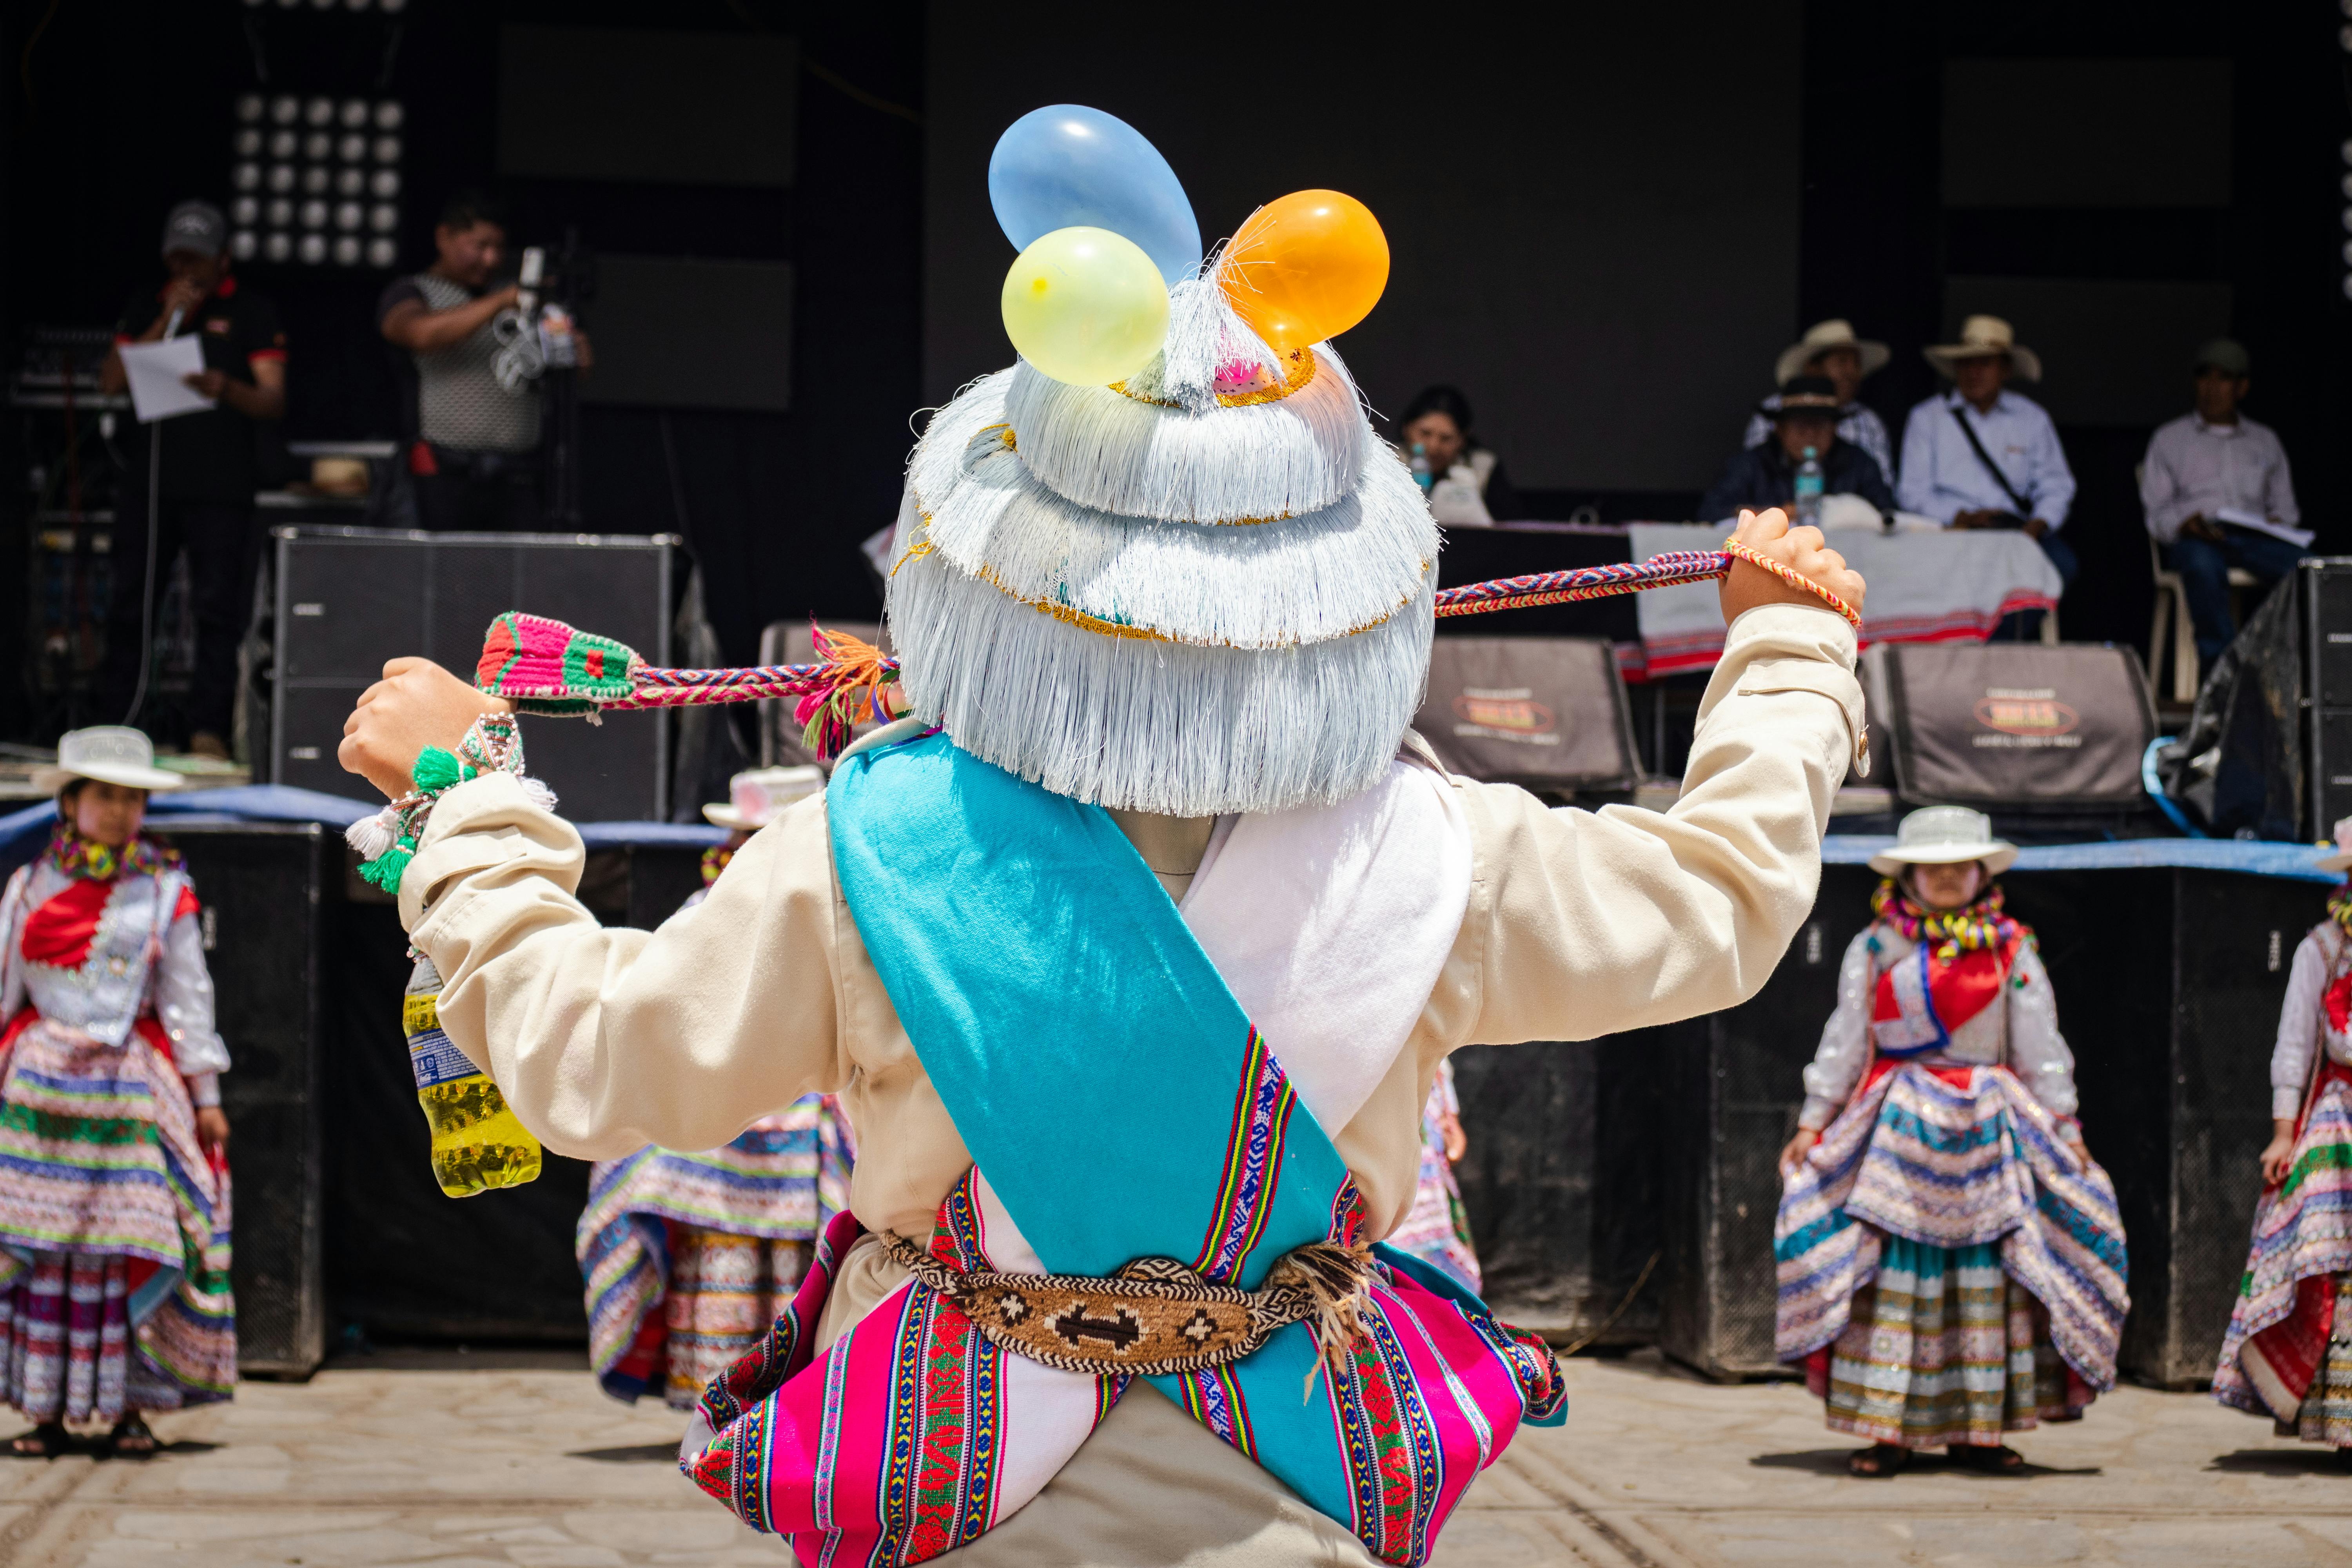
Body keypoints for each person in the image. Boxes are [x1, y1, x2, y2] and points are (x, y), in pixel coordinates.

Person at [339, 202, 1868, 1563]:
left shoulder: (871, 851)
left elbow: (593, 1063)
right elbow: (1723, 904)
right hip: (1290, 1511)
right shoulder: (1437, 852)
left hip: (957, 1492)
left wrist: (467, 803)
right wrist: (1790, 644)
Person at [1775, 807, 2126, 1478]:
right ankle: (1888, 1431)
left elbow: (2039, 1045)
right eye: (1930, 867)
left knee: (1987, 1276)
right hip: (1899, 1130)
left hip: (1989, 1132)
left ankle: (1981, 1433)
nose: (1943, 877)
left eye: (1957, 866)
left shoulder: (2010, 948)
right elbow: (1846, 1040)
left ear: (1979, 873)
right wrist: (1813, 1122)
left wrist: (2065, 1126)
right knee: (1895, 1273)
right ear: (1907, 874)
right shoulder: (1877, 948)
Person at [576, 765, 856, 1408]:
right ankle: (774, 1401)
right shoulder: (825, 916)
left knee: (751, 1265)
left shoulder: (718, 913)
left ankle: (734, 1401)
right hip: (767, 1137)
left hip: (726, 1128)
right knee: (778, 1269)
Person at [0, 727, 235, 1459]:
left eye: (132, 797)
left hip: (128, 1086)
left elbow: (189, 997)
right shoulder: (30, 886)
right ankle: (45, 1411)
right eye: (104, 795)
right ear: (69, 803)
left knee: (130, 1243)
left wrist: (205, 1095)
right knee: (47, 1249)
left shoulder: (165, 889)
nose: (119, 810)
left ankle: (133, 1406)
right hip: (40, 1089)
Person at [97, 201, 287, 759]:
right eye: (178, 260)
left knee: (216, 609)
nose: (188, 271)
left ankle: (209, 729)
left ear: (223, 259)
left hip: (221, 487)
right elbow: (110, 381)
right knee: (132, 603)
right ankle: (119, 722)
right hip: (150, 483)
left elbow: (273, 399)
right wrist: (165, 322)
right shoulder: (146, 307)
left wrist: (223, 388)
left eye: (198, 261)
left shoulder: (250, 311)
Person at [2214, 818, 2352, 1446]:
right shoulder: (2323, 949)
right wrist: (2283, 1131)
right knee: (2332, 1260)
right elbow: (2295, 1044)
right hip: (2341, 1123)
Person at [376, 191, 582, 532]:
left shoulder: (521, 300)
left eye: (499, 248)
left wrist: (569, 347)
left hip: (519, 473)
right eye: (480, 246)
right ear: (445, 237)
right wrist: (500, 302)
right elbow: (418, 334)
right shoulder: (413, 291)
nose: (491, 259)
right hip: (443, 470)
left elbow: (573, 376)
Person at [2141, 338, 2305, 666]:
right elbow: (2157, 512)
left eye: (2224, 379)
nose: (2212, 388)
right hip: (2199, 539)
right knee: (2201, 567)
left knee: (2309, 571)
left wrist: (2276, 524)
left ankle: (2287, 665)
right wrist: (2183, 524)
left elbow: (2287, 511)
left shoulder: (2265, 441)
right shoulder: (2170, 439)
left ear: (2242, 388)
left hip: (2254, 539)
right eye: (2206, 377)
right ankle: (2223, 671)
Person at [1896, 315, 2079, 591]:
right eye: (1966, 363)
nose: (1974, 372)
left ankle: (1993, 632)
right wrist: (1961, 517)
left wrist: (2038, 525)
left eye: (1985, 363)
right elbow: (1912, 491)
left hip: (2014, 532)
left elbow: (2057, 484)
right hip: (1950, 532)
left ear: (2005, 370)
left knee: (2061, 565)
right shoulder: (1927, 417)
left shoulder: (2032, 418)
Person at [1701, 376, 1897, 523]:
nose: (1811, 435)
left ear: (1834, 429)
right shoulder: (1751, 465)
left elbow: (1888, 514)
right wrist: (1776, 515)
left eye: (1820, 425)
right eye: (1801, 426)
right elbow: (1711, 511)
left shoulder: (1859, 464)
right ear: (1780, 429)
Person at [1742, 319, 1894, 485]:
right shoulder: (1776, 408)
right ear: (1812, 367)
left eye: (1856, 364)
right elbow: (1752, 477)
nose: (1852, 372)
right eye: (1842, 362)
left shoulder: (1869, 420)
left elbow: (1883, 490)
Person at [1383, 1059, 1481, 1292]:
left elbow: (1455, 1140)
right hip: (1393, 1193)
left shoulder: (1438, 1067)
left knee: (1452, 1282)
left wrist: (1443, 1141)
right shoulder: (1380, 1061)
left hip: (1434, 1196)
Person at [1397, 385, 1524, 524]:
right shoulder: (1386, 462)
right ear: (1406, 429)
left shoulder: (1482, 468)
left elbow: (1513, 528)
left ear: (1463, 439)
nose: (1434, 447)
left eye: (1446, 438)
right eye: (1425, 433)